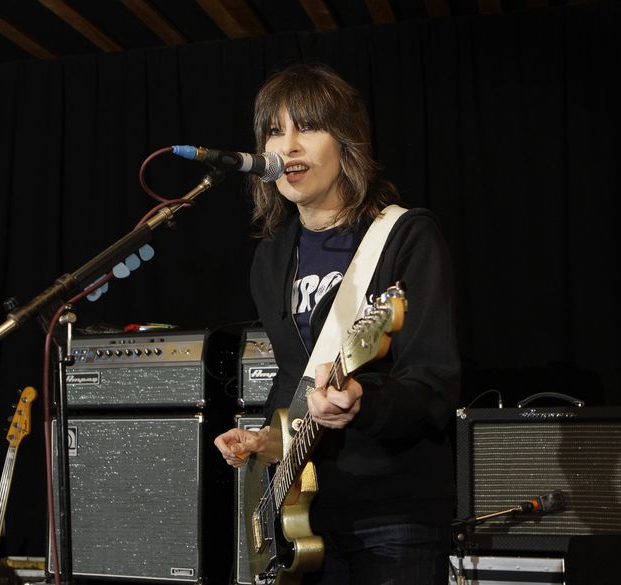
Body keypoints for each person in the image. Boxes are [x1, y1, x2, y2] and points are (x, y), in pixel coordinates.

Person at [214, 63, 461, 585]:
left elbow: (434, 386)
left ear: (347, 142)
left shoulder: (405, 238)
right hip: (305, 516)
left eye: (308, 126)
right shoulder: (272, 257)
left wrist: (362, 402)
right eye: (275, 131)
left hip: (394, 515)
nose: (289, 146)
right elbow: (293, 379)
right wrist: (266, 442)